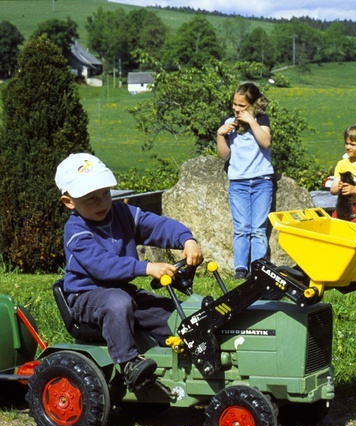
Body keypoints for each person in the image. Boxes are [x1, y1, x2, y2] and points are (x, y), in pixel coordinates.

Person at [55, 153, 203, 390]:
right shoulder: (76, 231)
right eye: (91, 198)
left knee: (173, 315)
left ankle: (190, 353)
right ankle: (129, 364)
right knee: (118, 302)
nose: (102, 202)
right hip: (87, 297)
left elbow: (156, 225)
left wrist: (187, 240)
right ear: (69, 201)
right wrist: (147, 267)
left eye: (105, 193)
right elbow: (103, 266)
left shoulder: (122, 213)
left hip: (123, 292)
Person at [217, 82, 274, 280]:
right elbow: (225, 155)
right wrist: (220, 134)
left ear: (253, 105)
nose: (236, 109)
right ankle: (240, 268)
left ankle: (258, 268)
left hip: (261, 181)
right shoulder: (229, 122)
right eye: (234, 104)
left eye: (242, 106)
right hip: (238, 182)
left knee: (258, 229)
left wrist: (252, 122)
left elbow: (266, 142)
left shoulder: (261, 119)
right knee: (241, 228)